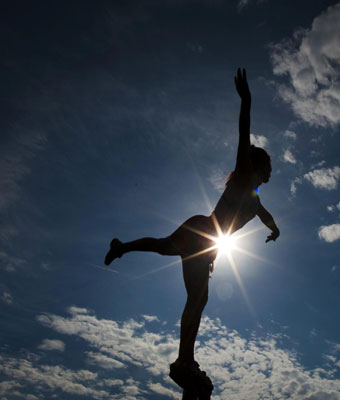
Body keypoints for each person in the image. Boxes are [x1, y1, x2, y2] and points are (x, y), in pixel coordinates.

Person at [103, 68, 280, 393]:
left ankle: (122, 247)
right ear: (258, 164)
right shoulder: (243, 176)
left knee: (168, 252)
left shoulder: (254, 199)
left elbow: (265, 215)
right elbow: (243, 135)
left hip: (206, 240)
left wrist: (276, 230)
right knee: (197, 295)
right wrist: (247, 101)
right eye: (268, 164)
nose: (272, 170)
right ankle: (185, 359)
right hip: (203, 232)